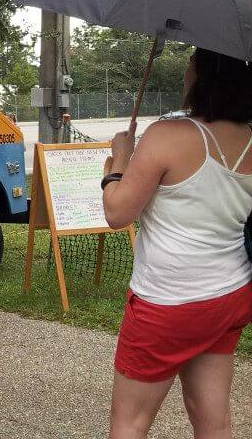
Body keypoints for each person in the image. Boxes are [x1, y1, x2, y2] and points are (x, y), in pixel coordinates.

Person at [103, 48, 252, 439]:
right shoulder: (250, 138)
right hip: (230, 293)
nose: (186, 71)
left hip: (168, 302)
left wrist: (117, 163)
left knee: (129, 423)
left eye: (191, 63)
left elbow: (118, 213)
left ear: (203, 74)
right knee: (213, 420)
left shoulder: (167, 135)